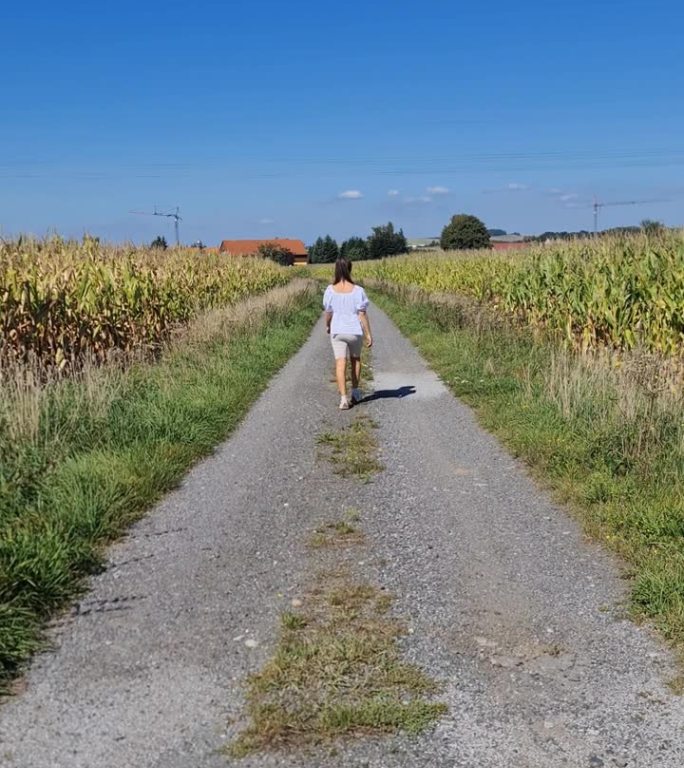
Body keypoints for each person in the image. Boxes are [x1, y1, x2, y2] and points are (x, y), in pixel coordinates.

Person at [323, 258, 373, 410]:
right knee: (355, 360)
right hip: (354, 331)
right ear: (350, 269)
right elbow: (362, 314)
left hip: (338, 330)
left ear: (336, 270)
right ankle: (356, 392)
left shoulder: (330, 290)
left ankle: (343, 399)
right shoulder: (358, 291)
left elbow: (328, 313)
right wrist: (368, 334)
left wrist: (328, 326)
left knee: (340, 362)